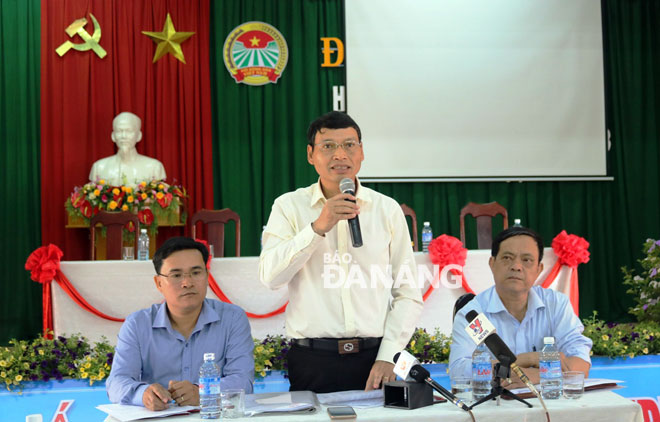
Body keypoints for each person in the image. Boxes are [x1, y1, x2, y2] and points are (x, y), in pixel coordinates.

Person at [259, 111, 423, 393]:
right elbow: (271, 277)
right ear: (311, 155)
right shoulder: (288, 207)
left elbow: (408, 291)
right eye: (328, 146)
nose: (340, 155)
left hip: (374, 359)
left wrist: (389, 356)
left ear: (361, 153)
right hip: (313, 360)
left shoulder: (386, 209)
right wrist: (317, 227)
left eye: (349, 145)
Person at [106, 237, 254, 410]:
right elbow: (116, 383)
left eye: (196, 273)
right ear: (159, 283)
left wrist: (203, 392)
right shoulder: (137, 324)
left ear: (207, 276)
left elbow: (244, 381)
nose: (187, 283)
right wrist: (144, 394)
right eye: (176, 275)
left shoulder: (232, 318)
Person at [448, 227, 592, 388]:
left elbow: (581, 362)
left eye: (526, 260)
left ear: (539, 269)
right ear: (492, 263)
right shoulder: (474, 314)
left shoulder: (556, 304)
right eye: (507, 258)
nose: (516, 266)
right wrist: (527, 359)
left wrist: (540, 374)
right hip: (492, 406)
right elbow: (458, 371)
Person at [89, 112, 166, 186]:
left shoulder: (154, 167)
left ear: (139, 135)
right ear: (113, 136)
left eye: (129, 131)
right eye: (119, 131)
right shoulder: (99, 167)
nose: (124, 136)